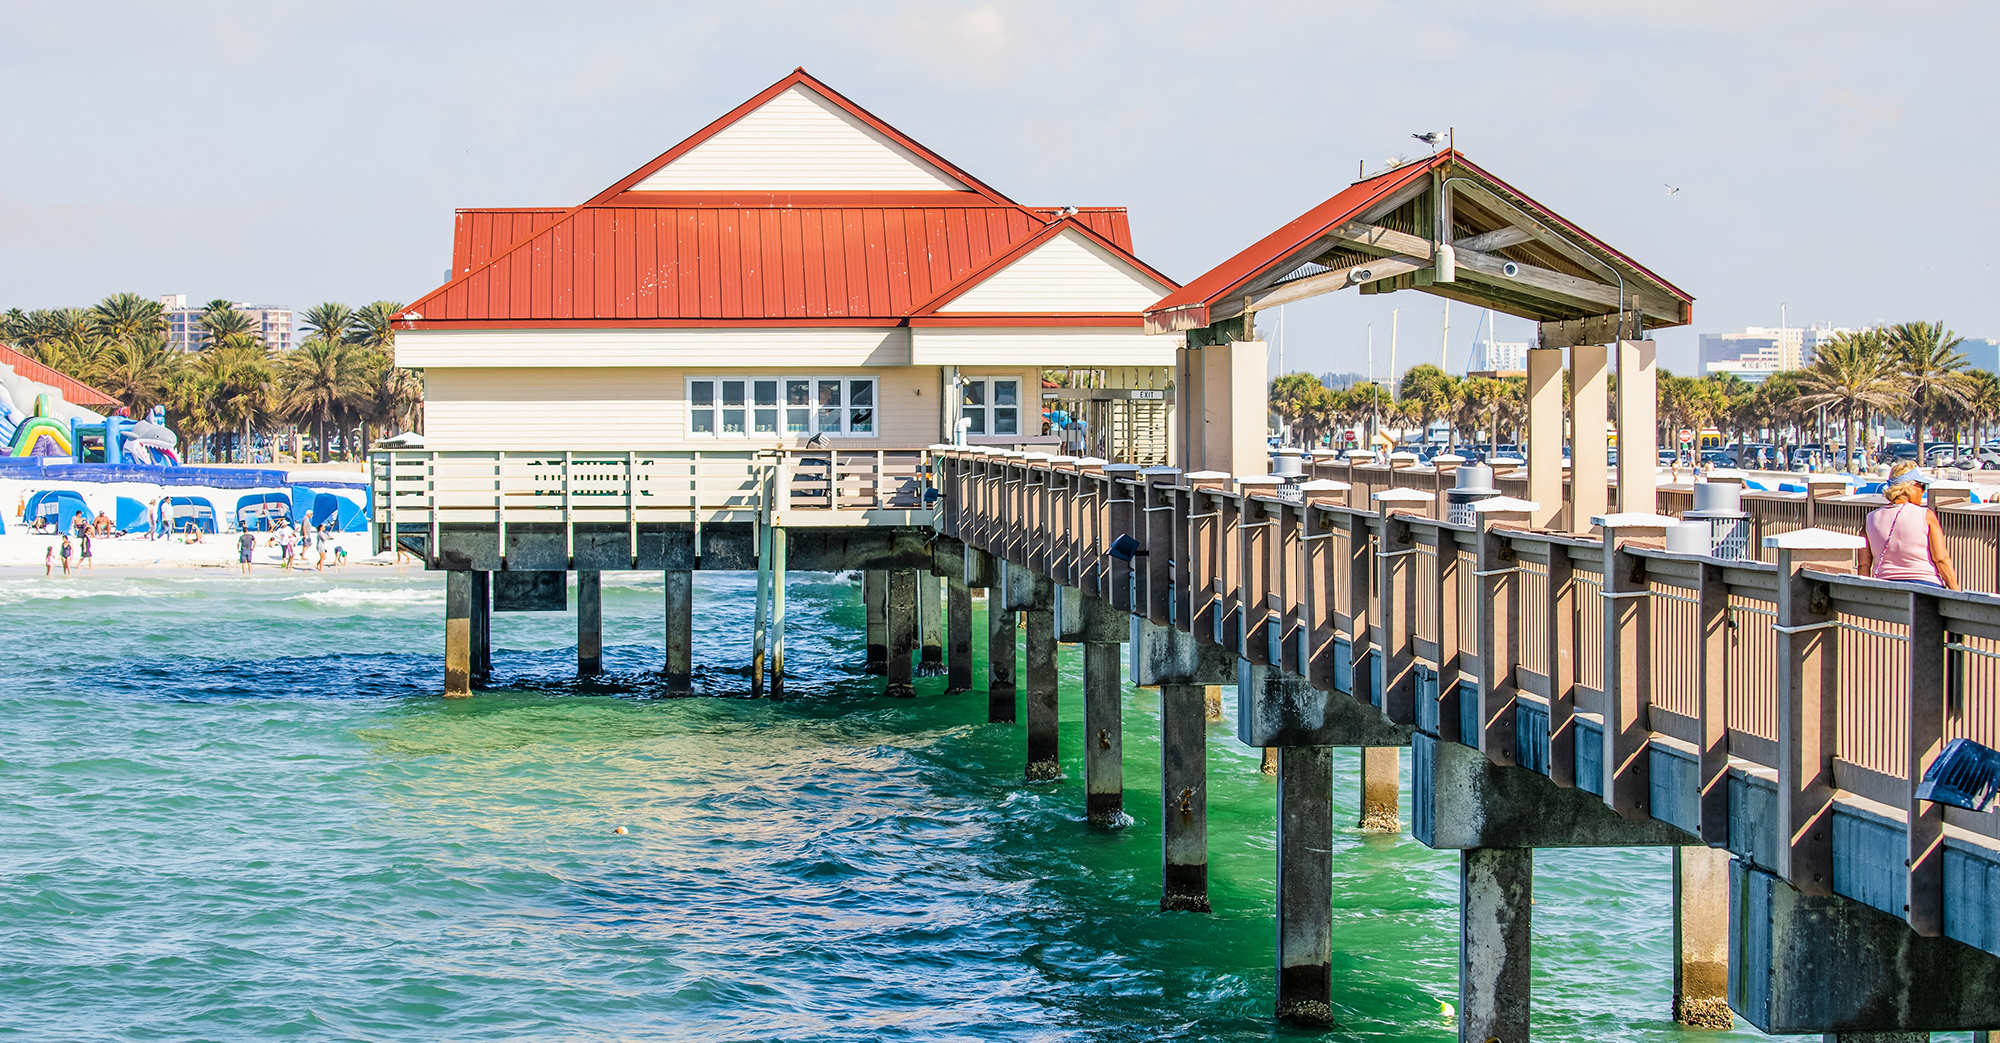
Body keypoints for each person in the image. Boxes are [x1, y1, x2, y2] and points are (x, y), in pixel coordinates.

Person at [1857, 463, 1960, 590]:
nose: (1923, 492)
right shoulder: (1926, 516)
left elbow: (1864, 565)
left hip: (1884, 588)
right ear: (1908, 488)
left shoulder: (1870, 519)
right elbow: (1940, 558)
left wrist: (1866, 594)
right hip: (1925, 586)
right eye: (1922, 486)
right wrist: (1956, 591)